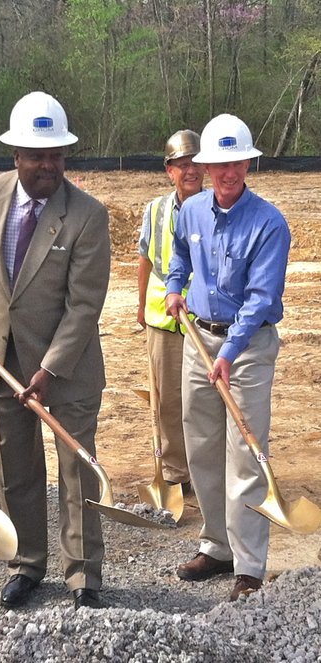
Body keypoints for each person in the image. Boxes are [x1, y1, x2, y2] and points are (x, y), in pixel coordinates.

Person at [0, 91, 110, 610]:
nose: (47, 165)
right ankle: (27, 563)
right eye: (37, 156)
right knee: (16, 469)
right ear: (15, 156)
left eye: (56, 155)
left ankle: (84, 576)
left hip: (68, 366)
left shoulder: (87, 215)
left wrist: (51, 370)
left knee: (77, 470)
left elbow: (85, 307)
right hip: (1, 359)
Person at [165, 114, 291, 601]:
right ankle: (216, 545)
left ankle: (249, 564)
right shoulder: (191, 210)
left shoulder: (268, 223)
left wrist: (231, 353)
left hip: (249, 348)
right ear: (206, 166)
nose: (228, 172)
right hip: (199, 340)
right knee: (201, 446)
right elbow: (177, 255)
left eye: (237, 161)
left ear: (247, 162)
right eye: (219, 164)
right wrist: (176, 287)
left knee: (245, 451)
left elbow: (261, 299)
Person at [137, 130, 204, 494]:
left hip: (206, 319)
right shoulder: (156, 210)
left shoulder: (216, 206)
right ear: (169, 170)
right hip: (163, 321)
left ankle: (206, 467)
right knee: (167, 401)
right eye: (182, 164)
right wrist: (140, 303)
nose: (190, 170)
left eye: (195, 163)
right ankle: (177, 473)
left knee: (202, 400)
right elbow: (146, 258)